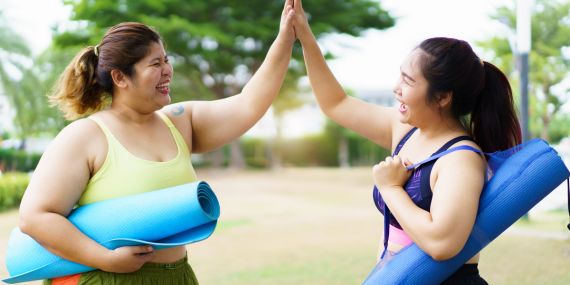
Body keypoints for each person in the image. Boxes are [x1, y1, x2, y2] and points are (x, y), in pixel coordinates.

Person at [18, 1, 296, 284]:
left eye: (167, 60)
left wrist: (285, 38)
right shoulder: (85, 136)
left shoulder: (181, 121)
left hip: (177, 275)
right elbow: (35, 216)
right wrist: (106, 259)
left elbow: (249, 104)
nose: (167, 71)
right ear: (120, 77)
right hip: (109, 277)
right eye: (155, 63)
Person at [289, 0, 521, 283]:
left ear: (442, 97)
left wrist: (390, 187)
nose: (396, 88)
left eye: (408, 81)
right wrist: (305, 37)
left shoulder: (460, 159)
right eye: (400, 74)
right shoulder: (404, 130)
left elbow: (442, 244)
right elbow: (336, 104)